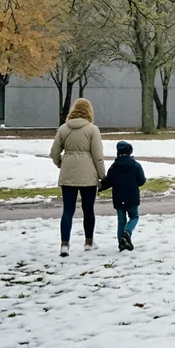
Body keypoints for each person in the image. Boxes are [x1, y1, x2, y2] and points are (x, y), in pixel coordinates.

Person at [50, 98, 106, 257]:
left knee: (68, 210)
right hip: (88, 176)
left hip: (68, 174)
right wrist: (102, 176)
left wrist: (61, 163)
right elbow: (98, 156)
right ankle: (89, 242)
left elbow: (54, 153)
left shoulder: (63, 129)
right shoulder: (92, 130)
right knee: (88, 210)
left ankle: (64, 244)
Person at [101, 140, 147, 251]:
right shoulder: (135, 165)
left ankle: (121, 244)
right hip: (132, 197)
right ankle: (128, 232)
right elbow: (141, 181)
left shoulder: (114, 167)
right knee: (134, 216)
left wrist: (100, 187)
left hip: (118, 198)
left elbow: (109, 181)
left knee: (121, 221)